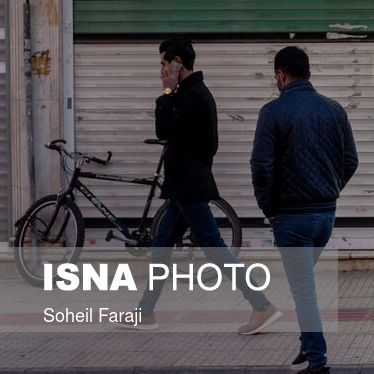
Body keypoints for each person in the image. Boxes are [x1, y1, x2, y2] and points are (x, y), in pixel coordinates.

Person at [119, 37, 281, 334]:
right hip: (184, 185)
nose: (161, 70)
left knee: (214, 248)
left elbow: (164, 129)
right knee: (161, 247)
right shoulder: (191, 93)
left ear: (177, 63)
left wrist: (166, 91)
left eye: (163, 64)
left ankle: (262, 305)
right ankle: (145, 312)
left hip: (189, 186)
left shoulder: (194, 96)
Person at [251, 46, 358, 374]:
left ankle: (318, 365)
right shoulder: (335, 109)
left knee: (303, 290)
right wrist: (330, 190)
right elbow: (350, 160)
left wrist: (268, 208)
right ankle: (305, 347)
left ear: (280, 76)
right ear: (309, 74)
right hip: (325, 217)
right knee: (304, 286)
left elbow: (261, 167)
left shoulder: (273, 111)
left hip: (291, 218)